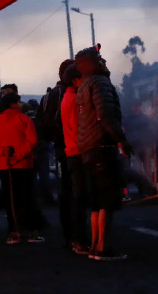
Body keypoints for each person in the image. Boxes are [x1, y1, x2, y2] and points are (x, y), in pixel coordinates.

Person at [75, 47, 130, 261]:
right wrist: (121, 139)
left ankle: (95, 247)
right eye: (99, 59)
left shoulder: (83, 85)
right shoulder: (100, 83)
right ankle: (103, 247)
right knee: (107, 199)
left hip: (88, 149)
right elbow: (106, 115)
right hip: (102, 148)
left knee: (96, 201)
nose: (104, 61)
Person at [0, 92, 42, 244]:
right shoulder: (25, 119)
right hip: (24, 164)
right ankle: (30, 232)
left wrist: (3, 153)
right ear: (13, 104)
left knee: (10, 200)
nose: (20, 104)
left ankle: (13, 232)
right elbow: (33, 141)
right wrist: (19, 155)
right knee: (27, 198)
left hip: (4, 166)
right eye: (18, 102)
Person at [41, 60, 74, 248]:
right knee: (72, 189)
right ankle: (73, 233)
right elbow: (59, 121)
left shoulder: (48, 96)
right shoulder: (63, 93)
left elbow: (43, 123)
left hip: (59, 146)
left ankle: (67, 231)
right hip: (68, 145)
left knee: (65, 188)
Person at [60, 63, 89, 255]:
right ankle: (79, 240)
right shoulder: (73, 99)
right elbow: (78, 125)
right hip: (78, 152)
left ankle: (76, 238)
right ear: (74, 80)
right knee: (79, 198)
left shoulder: (67, 97)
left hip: (71, 151)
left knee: (77, 196)